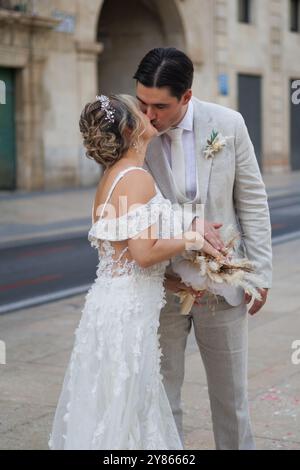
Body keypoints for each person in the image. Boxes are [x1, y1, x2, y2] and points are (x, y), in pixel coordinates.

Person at [48, 93, 222, 450]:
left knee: (115, 405)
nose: (148, 113)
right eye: (138, 110)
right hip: (125, 315)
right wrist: (193, 239)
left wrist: (175, 281)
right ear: (130, 128)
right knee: (126, 407)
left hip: (113, 305)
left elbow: (123, 256)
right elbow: (143, 253)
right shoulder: (137, 178)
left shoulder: (113, 178)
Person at [133, 47, 273, 449]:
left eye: (160, 106)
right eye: (142, 102)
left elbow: (251, 200)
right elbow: (130, 208)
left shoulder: (228, 124)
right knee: (164, 399)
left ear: (187, 97)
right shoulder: (133, 132)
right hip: (161, 284)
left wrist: (260, 272)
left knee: (231, 401)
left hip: (222, 286)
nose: (148, 115)